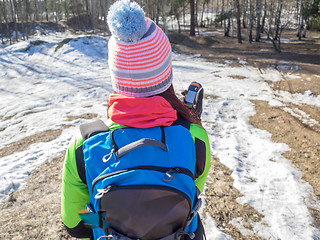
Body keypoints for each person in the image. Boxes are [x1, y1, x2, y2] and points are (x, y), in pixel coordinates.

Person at [61, 0, 211, 239]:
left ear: (115, 77)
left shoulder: (84, 143)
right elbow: (190, 193)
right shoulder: (194, 136)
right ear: (166, 74)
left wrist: (108, 221)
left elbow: (74, 224)